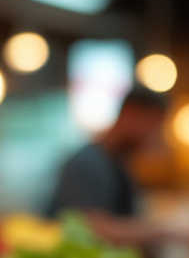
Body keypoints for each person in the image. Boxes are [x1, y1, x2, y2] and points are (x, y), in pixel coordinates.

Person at [47, 88, 171, 246]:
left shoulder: (119, 165)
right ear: (130, 113)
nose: (153, 137)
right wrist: (164, 231)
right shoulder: (85, 163)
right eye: (153, 127)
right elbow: (92, 227)